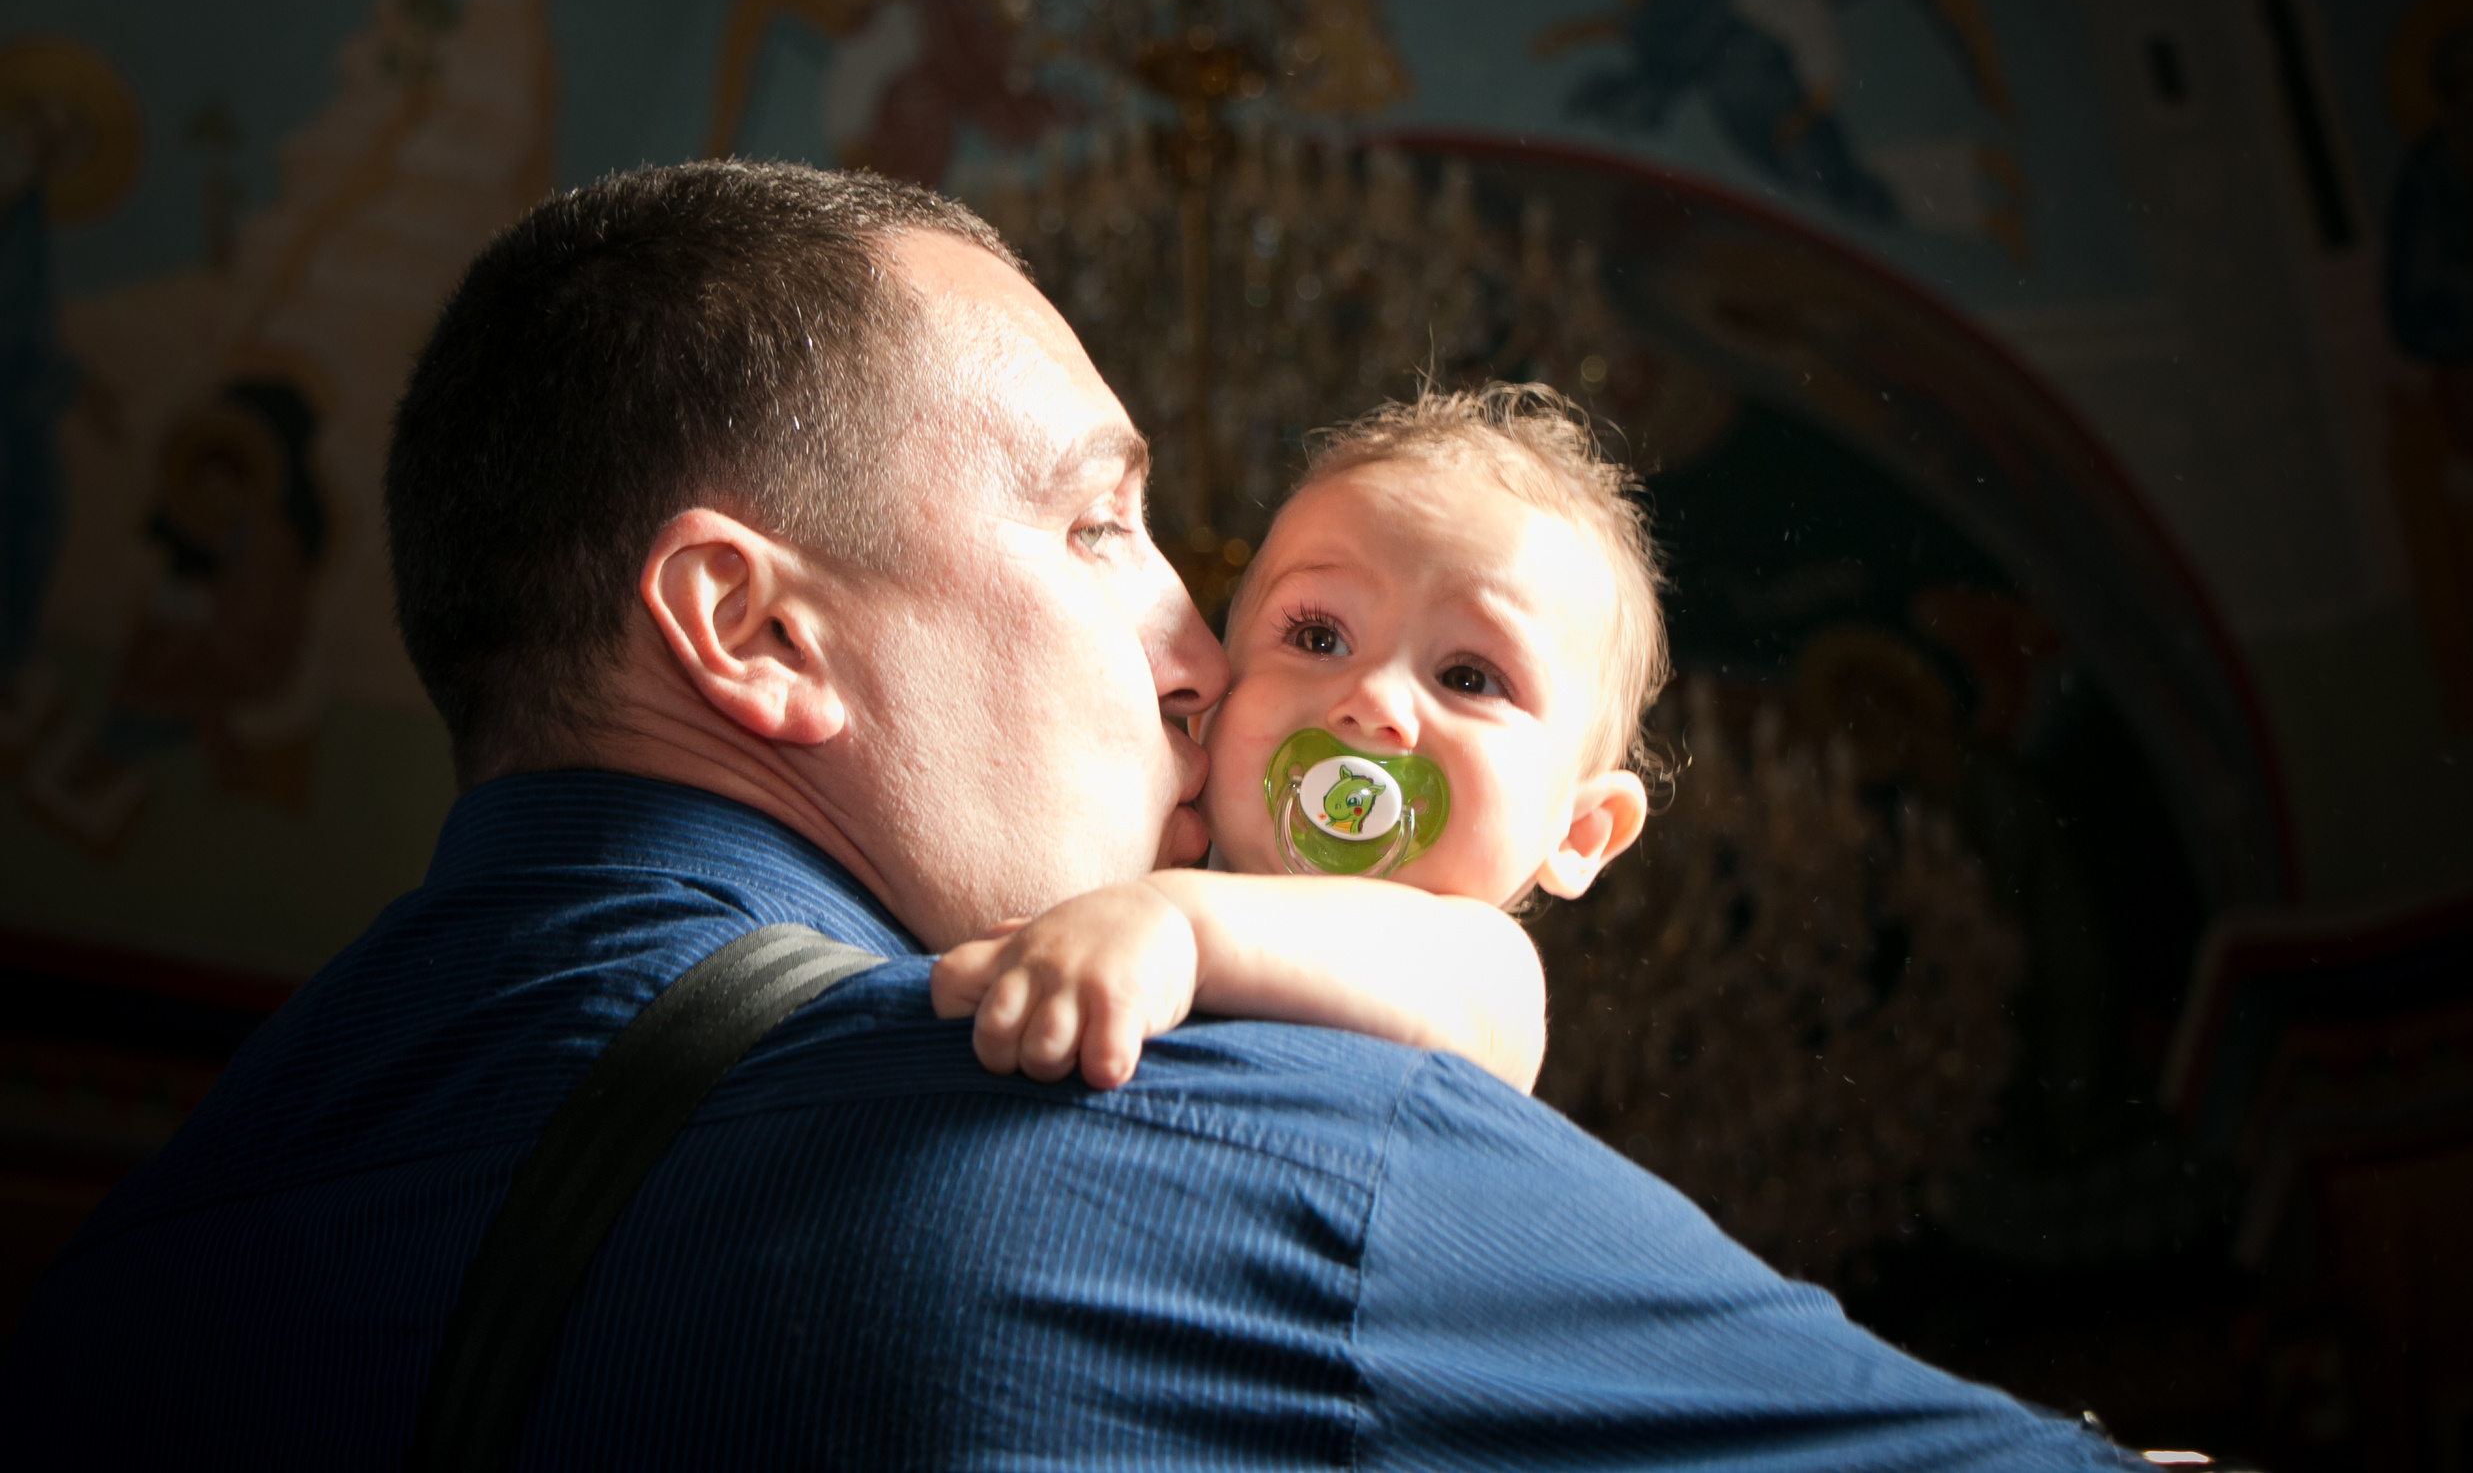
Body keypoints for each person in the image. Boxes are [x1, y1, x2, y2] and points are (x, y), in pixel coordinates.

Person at [0, 161, 2137, 1468]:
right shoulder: (1243, 1155)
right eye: (1103, 521)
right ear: (752, 629)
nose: (1204, 654)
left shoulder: (105, 1290)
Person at [932, 384, 1658, 1098]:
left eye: (1469, 678)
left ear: (1580, 830)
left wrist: (1173, 930)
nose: (1373, 700)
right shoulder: (1115, 904)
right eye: (1318, 637)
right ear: (1213, 710)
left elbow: (1437, 978)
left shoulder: (1486, 972)